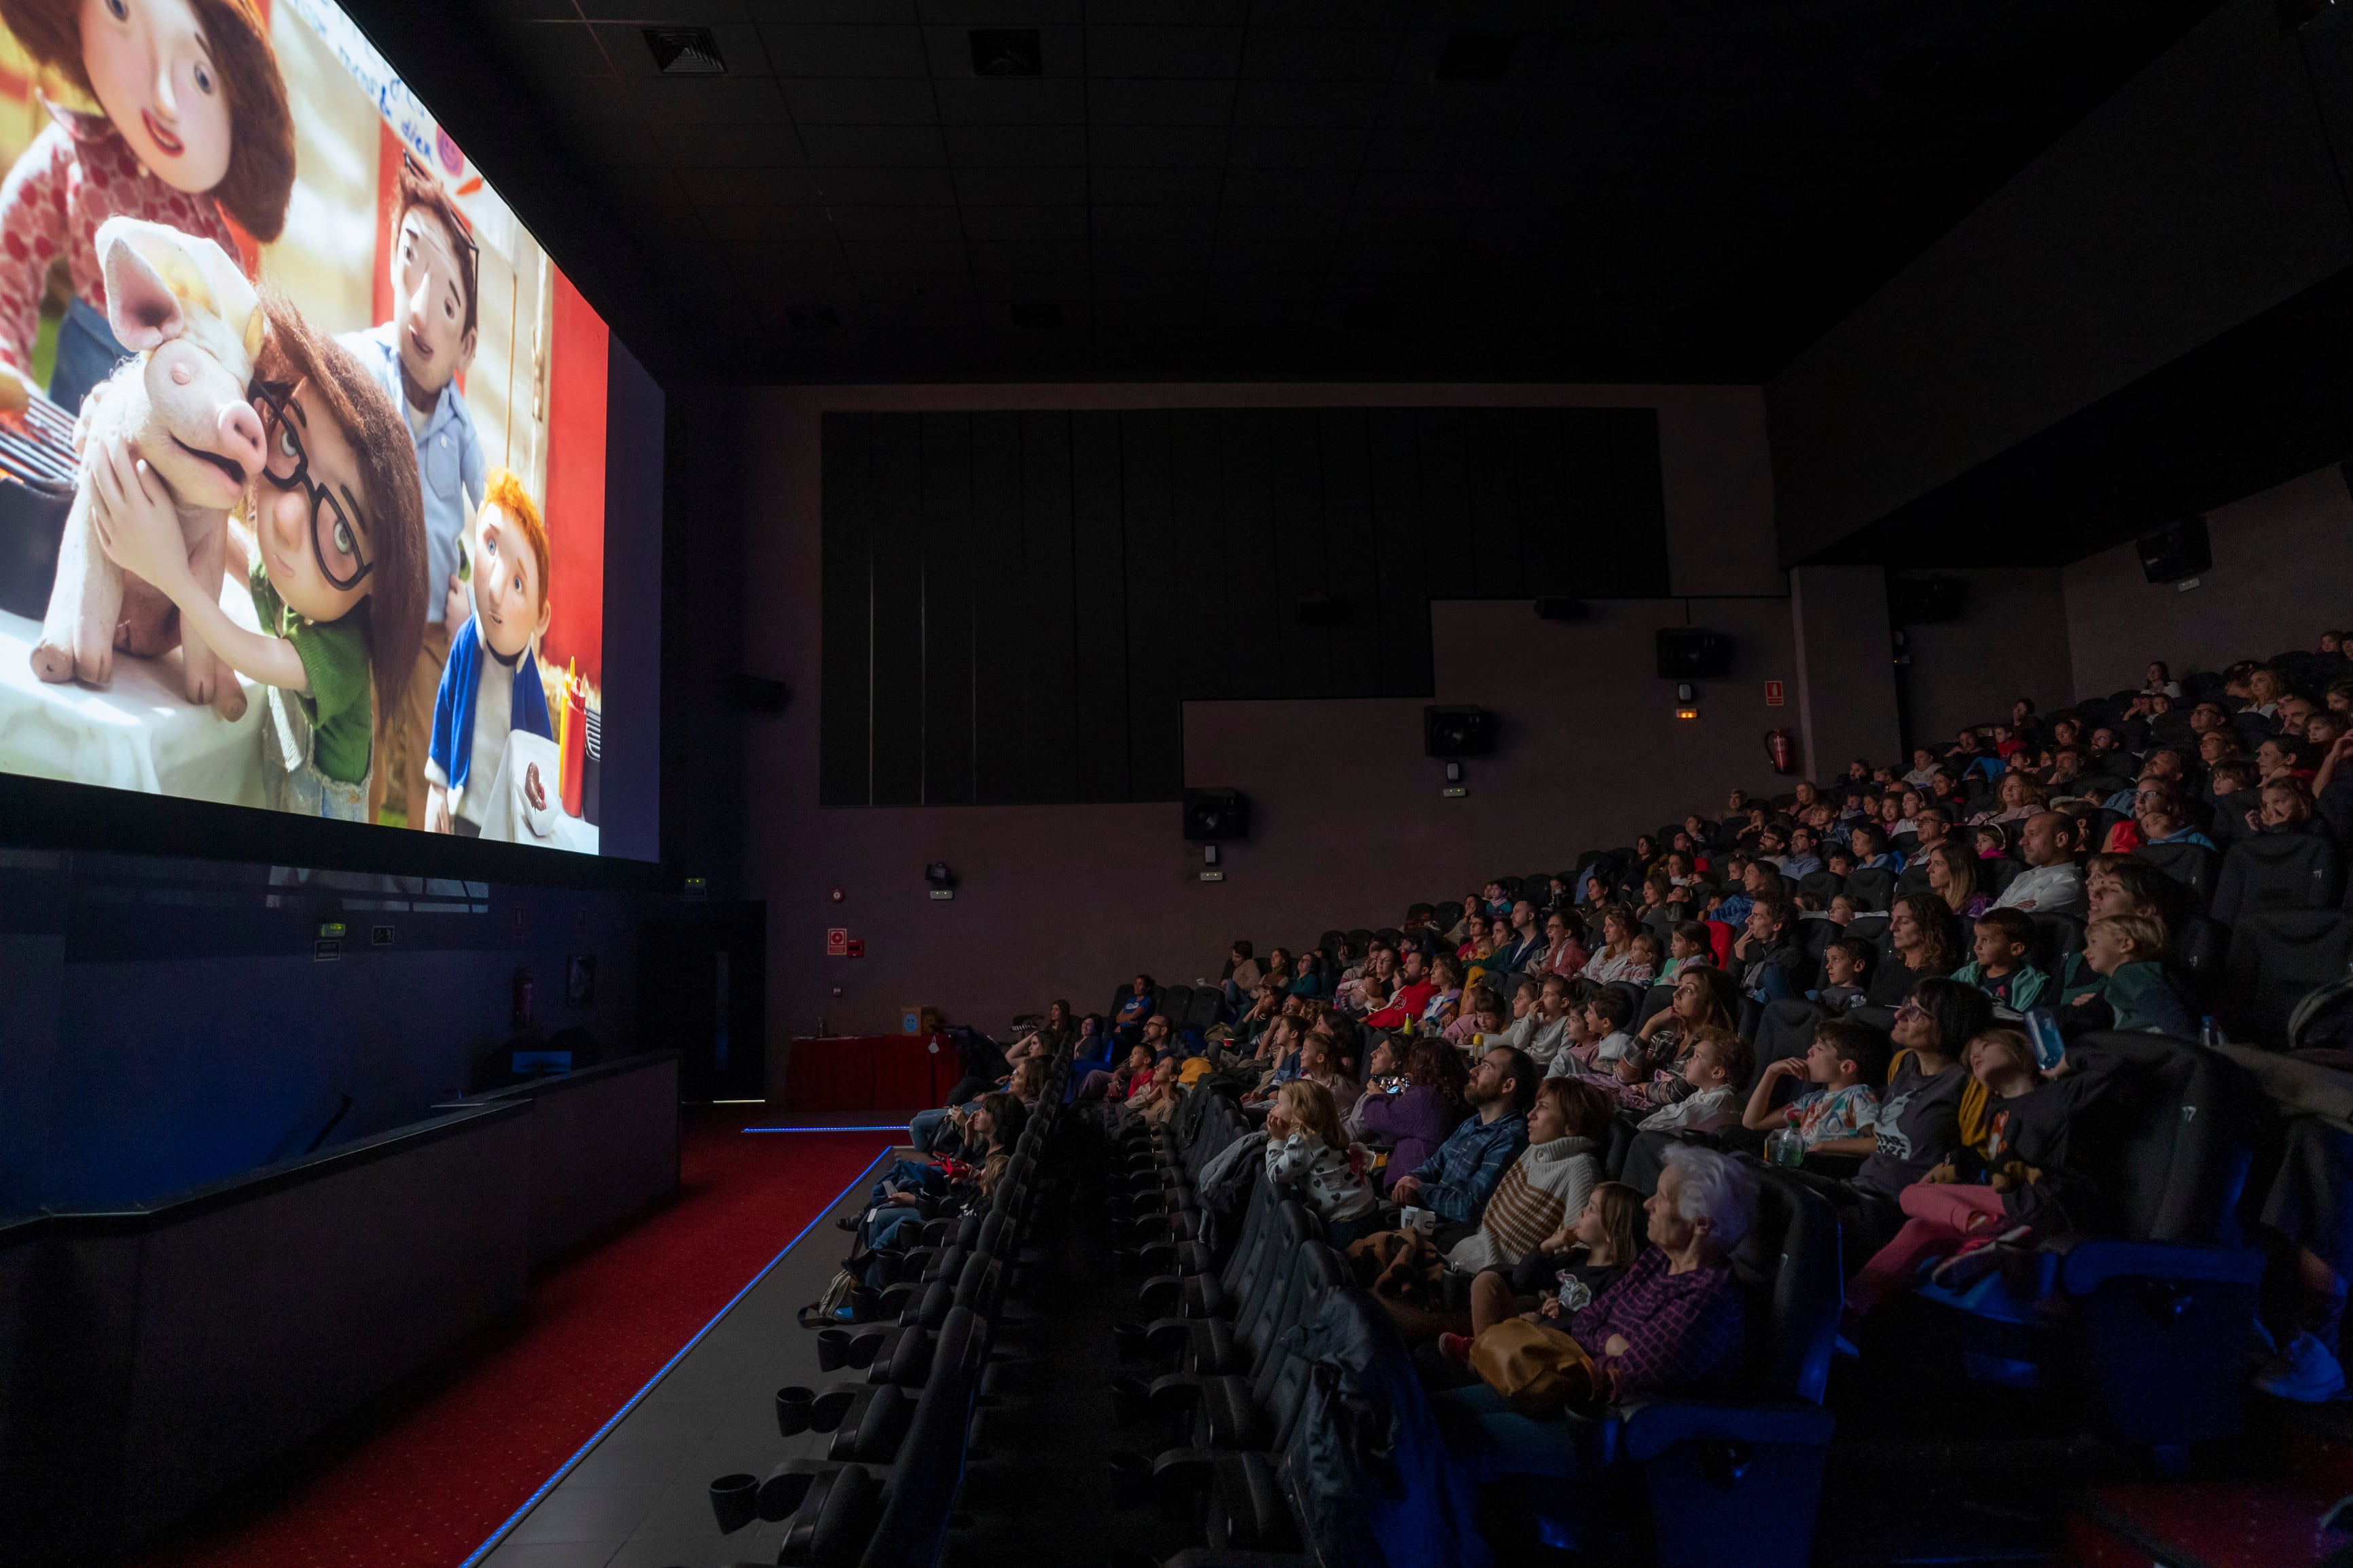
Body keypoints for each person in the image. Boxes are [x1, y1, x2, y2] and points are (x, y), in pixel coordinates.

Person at [91, 296, 428, 820]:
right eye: (291, 443)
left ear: (378, 583)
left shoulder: (339, 657)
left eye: (342, 536)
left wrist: (171, 573)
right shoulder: (287, 585)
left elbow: (250, 651)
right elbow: (238, 551)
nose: (289, 518)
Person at [0, 0, 293, 410]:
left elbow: (238, 356)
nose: (165, 102)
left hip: (165, 428)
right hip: (71, 415)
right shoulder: (76, 155)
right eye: (120, 9)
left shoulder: (211, 244)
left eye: (201, 78)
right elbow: (9, 251)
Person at [1428, 1146, 1754, 1484]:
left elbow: (1624, 1379)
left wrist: (1599, 1345)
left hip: (1605, 1429)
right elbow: (1587, 1319)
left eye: (1662, 1198)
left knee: (1439, 1442)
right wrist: (1611, 1342)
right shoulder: (1659, 1260)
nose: (1648, 1205)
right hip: (1562, 1390)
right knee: (1429, 1414)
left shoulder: (1707, 1299)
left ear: (1700, 1224)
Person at [344, 157, 492, 828]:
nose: (422, 312)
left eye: (448, 303)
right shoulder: (367, 362)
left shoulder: (461, 429)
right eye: (414, 265)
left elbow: (492, 511)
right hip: (371, 609)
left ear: (465, 345)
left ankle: (423, 857)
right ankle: (364, 847)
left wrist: (482, 600)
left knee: (431, 750)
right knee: (367, 744)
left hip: (434, 623)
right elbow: (315, 358)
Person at [1845, 1027, 2122, 1317]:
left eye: (1985, 1047)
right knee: (1918, 1226)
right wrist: (1953, 1163)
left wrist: (2062, 1063)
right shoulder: (1997, 1112)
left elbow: (2114, 1067)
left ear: (2021, 1050)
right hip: (2010, 1204)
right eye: (1970, 1058)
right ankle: (1852, 1310)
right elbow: (1991, 1163)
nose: (1975, 1057)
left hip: (2049, 1198)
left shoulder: (2057, 1095)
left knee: (1912, 1194)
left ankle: (1984, 1229)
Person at [1806, 979, 1996, 1259]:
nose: (1899, 1014)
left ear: (1948, 1026)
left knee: (1803, 1218)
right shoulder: (1904, 1062)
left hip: (1896, 1206)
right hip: (1860, 1188)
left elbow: (1973, 1157)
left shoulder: (1968, 1083)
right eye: (1907, 1004)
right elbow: (1886, 1139)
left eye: (1915, 1013)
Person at [420, 471, 556, 836]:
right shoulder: (467, 644)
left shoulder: (528, 680)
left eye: (517, 583)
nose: (495, 592)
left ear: (540, 617)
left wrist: (540, 805)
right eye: (491, 548)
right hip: (463, 803)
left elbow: (541, 750)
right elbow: (446, 708)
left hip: (504, 818)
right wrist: (437, 784)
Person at [1445, 1183, 1647, 1357]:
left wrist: (1565, 1313)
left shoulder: (1616, 1281)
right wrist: (1548, 1246)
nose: (1581, 1211)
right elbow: (1522, 1279)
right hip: (1532, 1320)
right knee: (1486, 1280)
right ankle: (1484, 1353)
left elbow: (1600, 1326)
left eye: (1591, 1209)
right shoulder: (1575, 1258)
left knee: (1535, 1328)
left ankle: (1481, 1356)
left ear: (1613, 1232)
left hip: (1554, 1341)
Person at [1445, 1077, 1614, 1272]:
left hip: (1499, 1273)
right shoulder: (1536, 1148)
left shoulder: (1581, 1169)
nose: (1531, 1115)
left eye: (1542, 1107)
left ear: (1572, 1125)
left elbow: (1577, 1248)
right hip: (1473, 1248)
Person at [1390, 1044, 1537, 1236]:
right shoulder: (1473, 1123)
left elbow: (1470, 1208)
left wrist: (1420, 1189)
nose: (1473, 1071)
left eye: (1486, 1067)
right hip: (1426, 1218)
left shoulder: (1510, 1137)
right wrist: (1410, 1180)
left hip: (1452, 1234)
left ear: (1507, 1086)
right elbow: (1433, 1166)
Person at [1263, 1079, 1381, 1247]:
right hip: (1364, 1207)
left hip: (1348, 1219)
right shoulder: (1321, 1131)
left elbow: (1276, 1174)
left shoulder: (1305, 1139)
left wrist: (1276, 1139)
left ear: (1300, 1112)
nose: (1273, 1108)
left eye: (1280, 1104)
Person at [1742, 1016, 1884, 1150]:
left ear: (1846, 1067)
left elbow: (1881, 1143)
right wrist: (1772, 1072)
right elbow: (1752, 1122)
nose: (1810, 1051)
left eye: (1820, 1048)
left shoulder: (1859, 1095)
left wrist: (1824, 1146)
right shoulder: (1810, 1102)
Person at [1357, 1038, 1471, 1194]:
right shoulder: (1447, 1092)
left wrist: (1377, 1097)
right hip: (1421, 1178)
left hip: (1408, 1186)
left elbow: (1380, 1119)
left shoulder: (1426, 1096)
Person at [2068, 913, 2194, 1037]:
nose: (2085, 952)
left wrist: (2188, 1049)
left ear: (2126, 944)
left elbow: (2169, 1013)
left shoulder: (2130, 974)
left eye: (2094, 942)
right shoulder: (2124, 980)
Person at [1636, 1027, 1750, 1133]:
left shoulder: (1720, 1100)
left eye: (1697, 1057)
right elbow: (1676, 1112)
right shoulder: (1702, 1093)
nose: (1688, 1061)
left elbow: (1680, 1121)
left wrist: (1641, 1130)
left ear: (1717, 1072)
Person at [1864, 894, 1961, 1008]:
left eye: (1904, 922)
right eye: (1893, 919)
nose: (1892, 927)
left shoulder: (1945, 978)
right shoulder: (1885, 970)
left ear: (1928, 927)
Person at [1951, 907, 2051, 1012]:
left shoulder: (2029, 984)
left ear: (2016, 949)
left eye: (1986, 940)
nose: (1977, 946)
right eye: (1977, 938)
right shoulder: (1965, 975)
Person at [1993, 810, 2085, 917]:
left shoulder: (2069, 884)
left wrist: (2008, 911)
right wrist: (2012, 909)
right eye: (2024, 835)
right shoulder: (2024, 876)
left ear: (2061, 840)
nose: (2022, 842)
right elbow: (1986, 916)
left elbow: (2007, 920)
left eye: (2033, 834)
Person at [1810, 936, 1871, 1013]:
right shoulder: (1827, 991)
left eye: (1836, 959)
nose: (1828, 966)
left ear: (1858, 966)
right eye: (1828, 961)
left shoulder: (1856, 996)